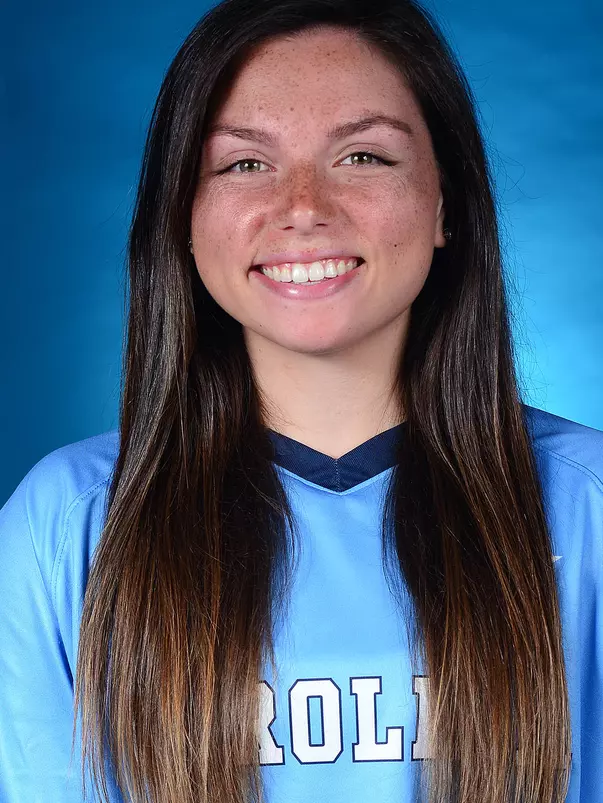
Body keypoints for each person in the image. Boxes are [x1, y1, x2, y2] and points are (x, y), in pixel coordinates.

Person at [0, 0, 601, 801]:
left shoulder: (587, 505)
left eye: (362, 156)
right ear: (182, 213)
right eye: (245, 164)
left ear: (443, 206)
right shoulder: (64, 525)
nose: (304, 206)